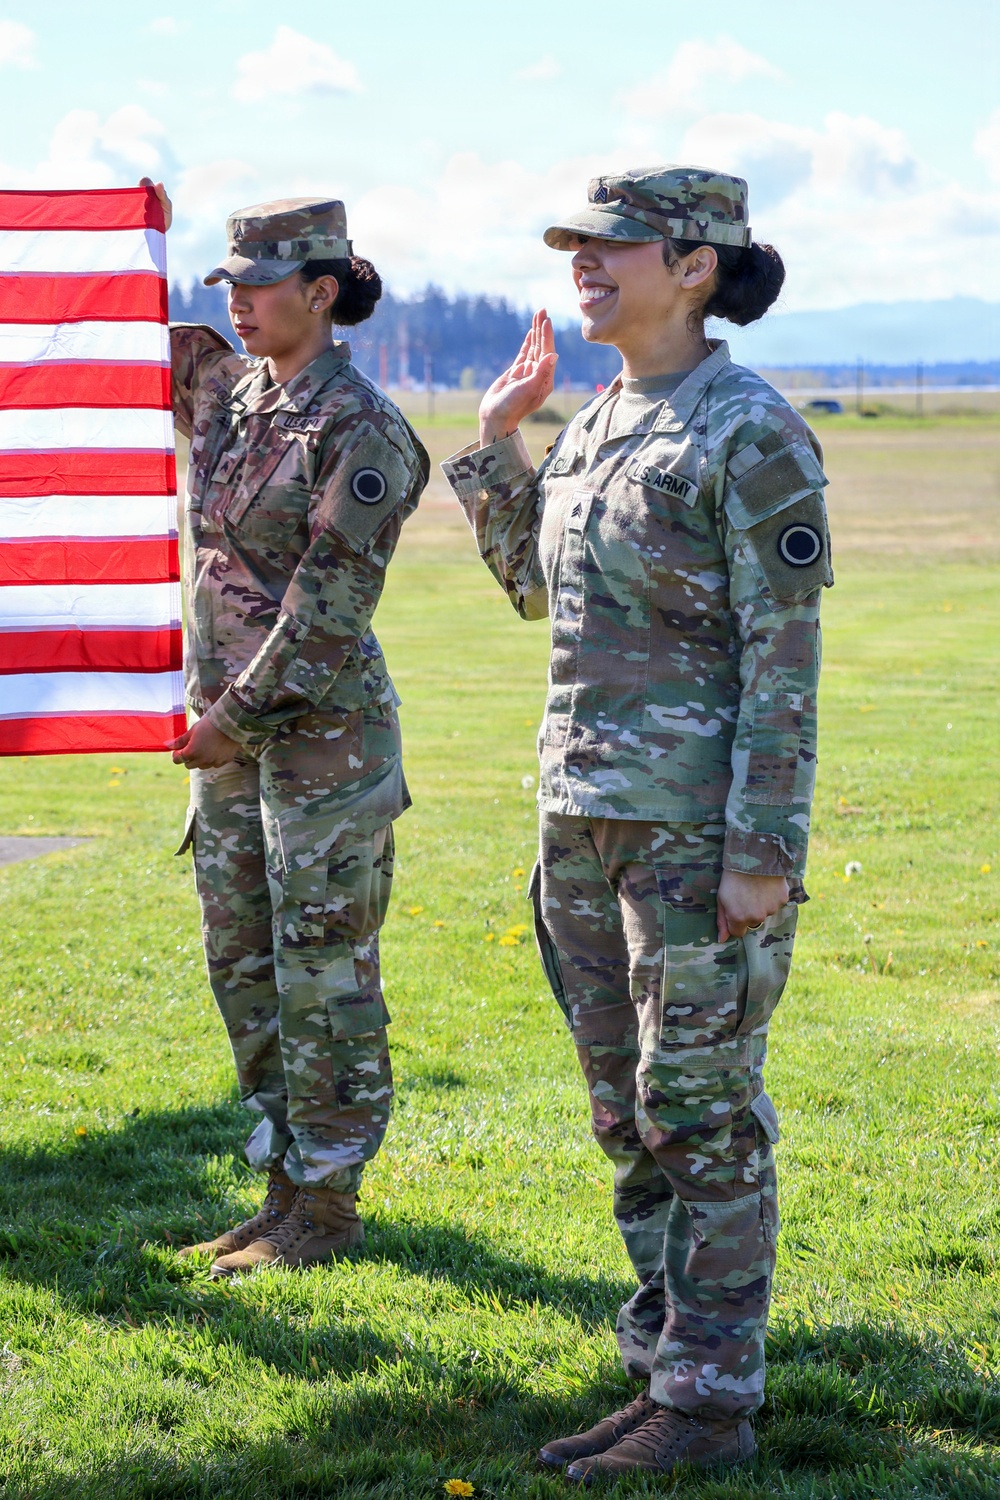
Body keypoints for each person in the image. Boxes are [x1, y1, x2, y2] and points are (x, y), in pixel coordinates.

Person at [442, 165, 832, 1480]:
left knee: (699, 1107)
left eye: (611, 247)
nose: (583, 264)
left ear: (697, 266)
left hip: (690, 834)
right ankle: (664, 1359)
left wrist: (761, 856)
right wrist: (501, 443)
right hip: (580, 821)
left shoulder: (749, 430)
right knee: (626, 1111)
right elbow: (539, 598)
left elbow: (786, 662)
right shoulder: (603, 419)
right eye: (576, 246)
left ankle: (711, 1404)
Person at [150, 183, 428, 1276]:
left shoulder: (362, 432)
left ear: (321, 292)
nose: (240, 302)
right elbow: (133, 341)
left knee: (323, 972)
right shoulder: (234, 398)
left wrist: (233, 716)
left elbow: (329, 607)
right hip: (225, 747)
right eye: (230, 283)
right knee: (244, 965)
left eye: (261, 284)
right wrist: (116, 245)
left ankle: (328, 1203)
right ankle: (280, 1184)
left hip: (320, 745)